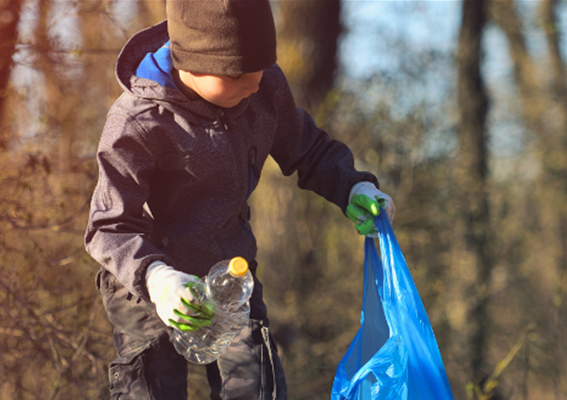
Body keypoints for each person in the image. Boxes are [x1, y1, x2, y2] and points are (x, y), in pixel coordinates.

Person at [84, 1, 394, 399]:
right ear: (192, 63)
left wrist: (354, 186)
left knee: (258, 386)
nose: (254, 83)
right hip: (146, 282)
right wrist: (158, 280)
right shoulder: (138, 122)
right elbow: (109, 225)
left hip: (229, 271)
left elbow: (308, 149)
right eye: (238, 75)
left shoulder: (263, 87)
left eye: (261, 67)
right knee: (150, 388)